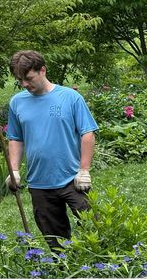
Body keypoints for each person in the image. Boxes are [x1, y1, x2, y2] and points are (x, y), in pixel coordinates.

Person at [5, 50, 99, 250]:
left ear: (43, 70)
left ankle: (100, 263)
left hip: (72, 179)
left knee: (94, 228)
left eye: (28, 78)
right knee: (56, 241)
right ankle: (64, 265)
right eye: (20, 80)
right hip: (39, 182)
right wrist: (14, 170)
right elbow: (16, 138)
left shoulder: (70, 97)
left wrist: (84, 170)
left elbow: (87, 134)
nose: (24, 84)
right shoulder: (17, 102)